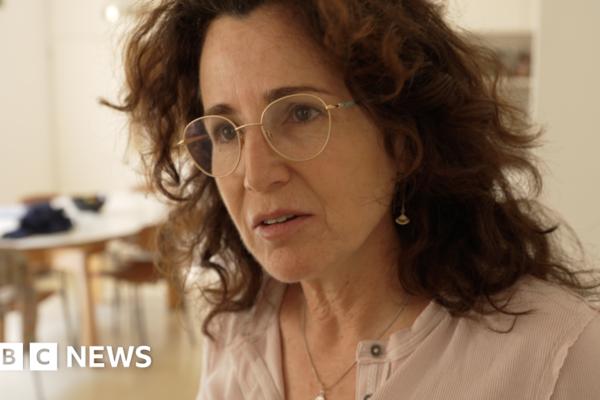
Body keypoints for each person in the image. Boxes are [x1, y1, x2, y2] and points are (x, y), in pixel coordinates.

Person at [106, 0, 600, 398]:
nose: (255, 175)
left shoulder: (555, 358)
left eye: (300, 113)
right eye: (226, 131)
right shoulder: (236, 328)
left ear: (401, 137)